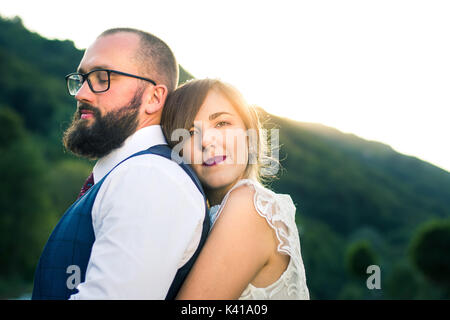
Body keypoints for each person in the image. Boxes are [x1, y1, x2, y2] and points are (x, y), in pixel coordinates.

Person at [31, 28, 210, 300]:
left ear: (154, 98)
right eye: (81, 79)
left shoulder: (151, 178)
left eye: (102, 78)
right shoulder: (130, 175)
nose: (80, 93)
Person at [161, 78, 310, 299]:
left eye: (221, 123)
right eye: (190, 132)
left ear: (249, 133)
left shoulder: (249, 205)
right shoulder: (213, 213)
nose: (206, 141)